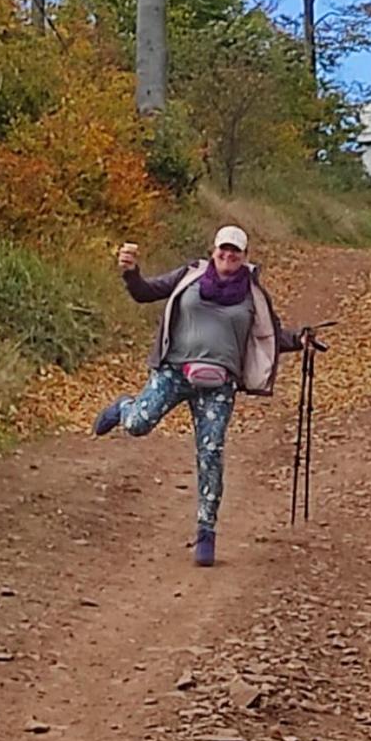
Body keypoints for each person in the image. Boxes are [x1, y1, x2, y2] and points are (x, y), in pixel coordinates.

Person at [92, 226, 306, 568]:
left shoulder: (253, 295)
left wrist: (299, 340)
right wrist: (130, 272)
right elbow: (145, 293)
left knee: (211, 453)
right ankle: (123, 408)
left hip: (219, 386)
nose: (228, 255)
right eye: (223, 249)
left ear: (245, 256)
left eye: (235, 251)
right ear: (214, 249)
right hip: (174, 372)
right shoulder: (189, 276)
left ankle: (206, 533)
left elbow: (268, 335)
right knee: (137, 425)